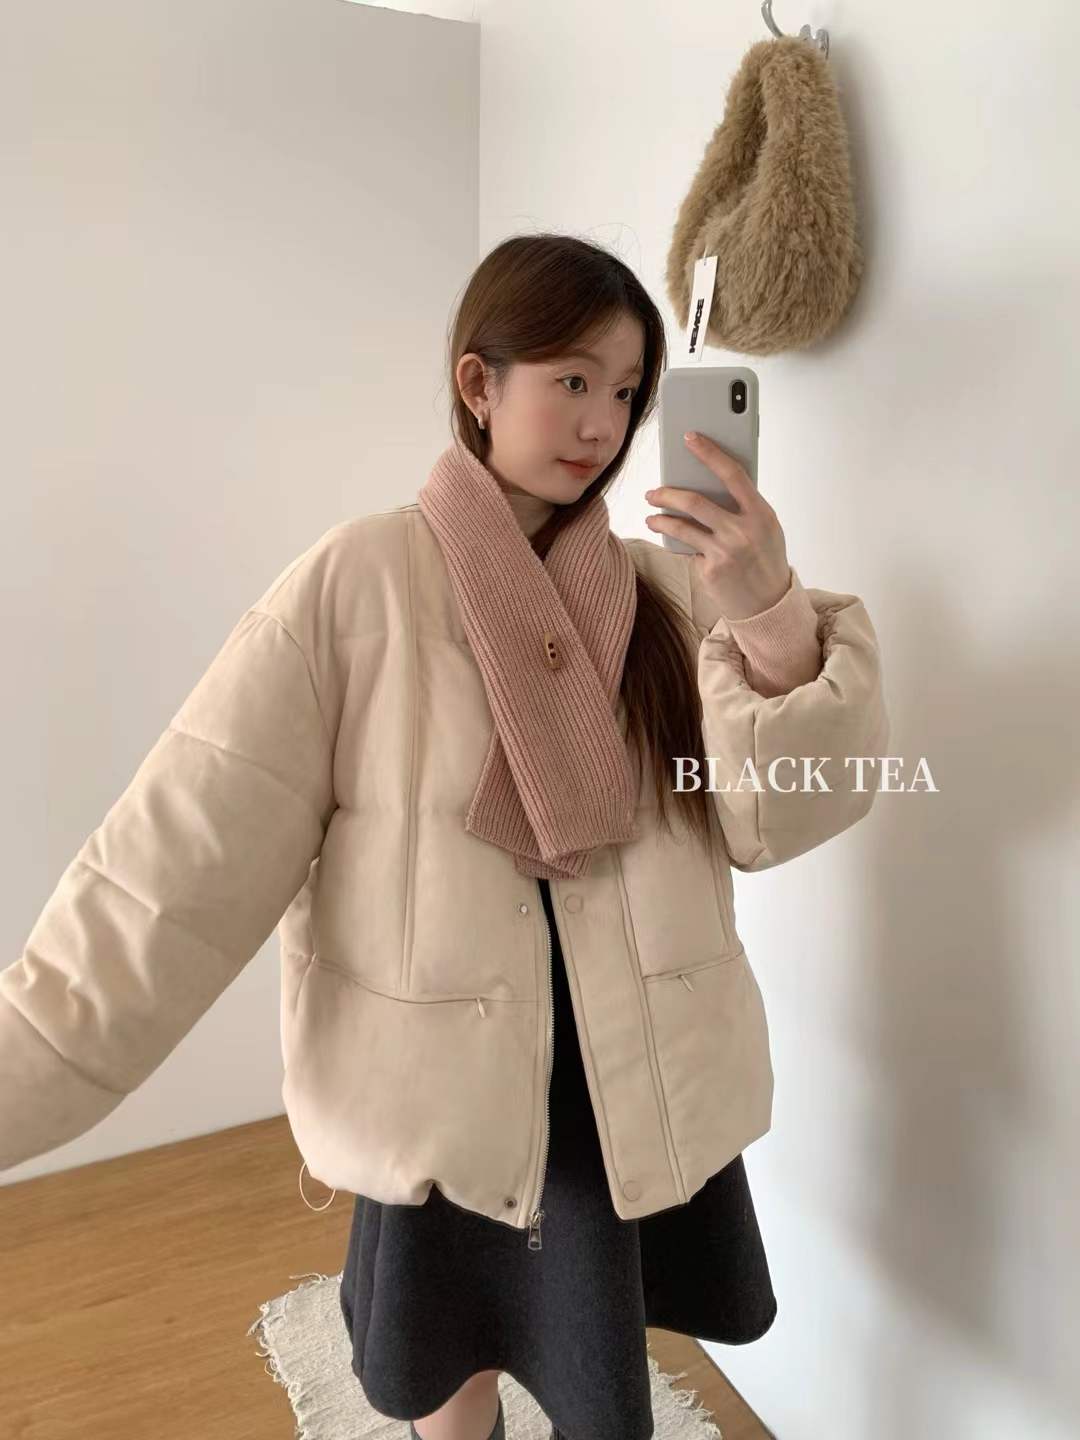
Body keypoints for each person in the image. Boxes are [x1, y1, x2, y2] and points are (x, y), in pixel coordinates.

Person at [0, 234, 889, 1440]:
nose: (603, 423)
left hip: (619, 1073)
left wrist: (770, 611)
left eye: (627, 391)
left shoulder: (668, 593)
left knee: (595, 1365)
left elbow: (776, 812)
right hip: (444, 1085)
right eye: (571, 380)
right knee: (446, 1373)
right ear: (480, 384)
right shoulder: (356, 583)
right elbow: (171, 873)